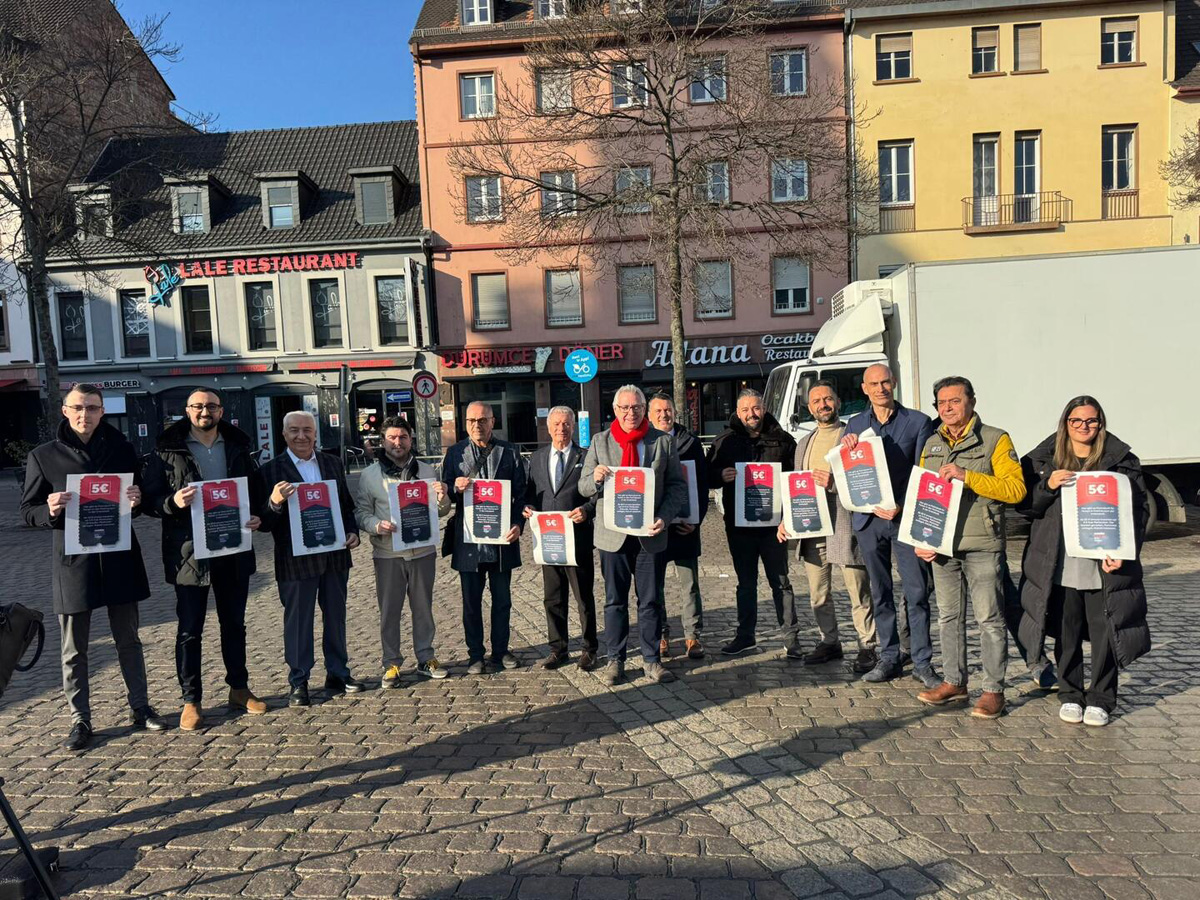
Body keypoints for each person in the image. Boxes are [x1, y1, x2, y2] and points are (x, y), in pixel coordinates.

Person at [20, 384, 167, 751]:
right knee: (74, 648)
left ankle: (140, 707)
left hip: (119, 557)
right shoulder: (43, 456)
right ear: (65, 411)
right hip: (74, 562)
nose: (85, 414)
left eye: (92, 408)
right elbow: (28, 511)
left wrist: (137, 500)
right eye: (78, 407)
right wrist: (49, 509)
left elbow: (141, 499)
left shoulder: (122, 449)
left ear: (102, 412)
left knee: (129, 640)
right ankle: (80, 718)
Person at [1017, 396, 1150, 727]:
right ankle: (1070, 693)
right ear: (1066, 424)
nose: (1084, 427)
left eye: (1091, 421)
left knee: (1105, 631)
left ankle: (1102, 697)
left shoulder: (1122, 461)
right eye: (1077, 421)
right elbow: (1026, 507)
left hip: (1103, 564)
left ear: (1100, 424)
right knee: (1067, 632)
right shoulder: (1042, 461)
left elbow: (1139, 512)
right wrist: (1047, 486)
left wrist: (1123, 553)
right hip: (1060, 562)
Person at [142, 388, 268, 731]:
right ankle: (191, 700)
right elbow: (149, 500)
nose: (204, 411)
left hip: (233, 549)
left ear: (221, 410)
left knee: (234, 626)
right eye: (197, 406)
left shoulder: (239, 448)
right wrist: (173, 503)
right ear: (187, 410)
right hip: (189, 553)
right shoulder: (167, 450)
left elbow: (254, 493)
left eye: (210, 406)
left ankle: (239, 690)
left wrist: (257, 516)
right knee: (189, 630)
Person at [912, 377, 1026, 719]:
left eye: (954, 401)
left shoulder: (995, 439)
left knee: (989, 618)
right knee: (948, 617)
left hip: (982, 544)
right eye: (941, 403)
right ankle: (954, 682)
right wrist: (923, 538)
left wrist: (968, 476)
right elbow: (924, 494)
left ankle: (993, 690)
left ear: (972, 403)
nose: (947, 408)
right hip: (942, 548)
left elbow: (1015, 490)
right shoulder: (931, 443)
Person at [579, 385, 687, 685]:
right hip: (612, 536)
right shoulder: (600, 442)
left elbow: (677, 486)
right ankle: (616, 659)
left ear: (644, 410)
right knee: (615, 601)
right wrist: (597, 478)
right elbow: (583, 487)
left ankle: (652, 661)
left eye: (636, 407)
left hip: (649, 535)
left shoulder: (663, 442)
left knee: (650, 601)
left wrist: (664, 518)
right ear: (615, 410)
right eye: (624, 408)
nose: (631, 413)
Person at [841, 364, 939, 687]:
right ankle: (889, 657)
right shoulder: (854, 424)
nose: (881, 388)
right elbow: (847, 472)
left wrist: (901, 504)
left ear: (894, 383)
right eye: (874, 383)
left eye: (885, 381)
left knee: (917, 591)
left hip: (904, 517)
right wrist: (848, 449)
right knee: (880, 591)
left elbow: (924, 473)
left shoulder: (918, 422)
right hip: (868, 521)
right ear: (864, 389)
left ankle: (922, 661)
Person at [256, 411, 363, 707]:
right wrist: (274, 502)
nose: (301, 436)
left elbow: (345, 505)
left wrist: (353, 532)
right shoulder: (270, 470)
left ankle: (338, 673)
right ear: (283, 433)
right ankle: (299, 680)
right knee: (298, 622)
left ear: (316, 433)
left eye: (307, 430)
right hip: (295, 559)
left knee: (336, 617)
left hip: (334, 556)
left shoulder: (332, 462)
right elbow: (263, 522)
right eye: (294, 430)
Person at [777, 380, 877, 673]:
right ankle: (829, 641)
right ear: (809, 408)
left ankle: (866, 646)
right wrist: (788, 519)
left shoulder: (852, 437)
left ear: (838, 402)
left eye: (828, 399)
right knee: (818, 593)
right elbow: (797, 488)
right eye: (817, 400)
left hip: (846, 524)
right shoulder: (803, 443)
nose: (823, 404)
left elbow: (864, 482)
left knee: (858, 590)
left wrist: (834, 483)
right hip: (812, 527)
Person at [354, 416, 451, 685]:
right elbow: (361, 513)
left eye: (403, 437)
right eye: (392, 438)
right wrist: (376, 525)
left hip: (422, 552)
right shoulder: (369, 475)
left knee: (423, 608)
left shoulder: (427, 471)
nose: (398, 442)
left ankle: (426, 657)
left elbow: (441, 512)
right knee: (390, 611)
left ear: (411, 440)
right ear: (383, 441)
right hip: (388, 554)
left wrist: (443, 497)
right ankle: (391, 663)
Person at [707, 389, 800, 658]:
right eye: (745, 410)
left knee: (781, 582)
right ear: (737, 412)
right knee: (745, 583)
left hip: (774, 528)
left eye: (756, 408)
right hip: (739, 526)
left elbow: (795, 482)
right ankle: (745, 636)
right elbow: (706, 475)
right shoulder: (725, 441)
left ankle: (791, 637)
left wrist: (788, 519)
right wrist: (719, 475)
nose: (751, 414)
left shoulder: (783, 440)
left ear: (765, 407)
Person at [441, 401, 526, 675]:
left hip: (502, 539)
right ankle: (475, 654)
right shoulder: (454, 454)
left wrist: (518, 524)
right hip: (468, 541)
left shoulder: (510, 451)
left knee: (502, 600)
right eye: (471, 420)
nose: (477, 425)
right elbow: (446, 494)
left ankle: (500, 651)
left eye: (483, 420)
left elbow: (522, 494)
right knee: (471, 602)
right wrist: (454, 486)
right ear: (466, 423)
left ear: (493, 421)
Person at [523, 406, 599, 671]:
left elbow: (595, 494)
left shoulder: (586, 456)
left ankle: (590, 648)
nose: (561, 429)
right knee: (552, 597)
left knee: (583, 596)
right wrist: (527, 506)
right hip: (549, 538)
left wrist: (587, 510)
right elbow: (530, 491)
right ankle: (558, 648)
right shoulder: (537, 457)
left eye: (566, 424)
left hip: (577, 537)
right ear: (548, 426)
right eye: (556, 424)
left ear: (574, 426)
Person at [647, 393, 707, 660]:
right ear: (649, 415)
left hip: (685, 527)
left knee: (689, 584)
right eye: (658, 411)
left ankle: (693, 636)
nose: (663, 415)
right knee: (654, 585)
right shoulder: (644, 442)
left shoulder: (691, 443)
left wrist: (696, 521)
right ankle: (661, 634)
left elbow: (701, 486)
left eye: (668, 410)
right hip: (656, 528)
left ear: (675, 413)